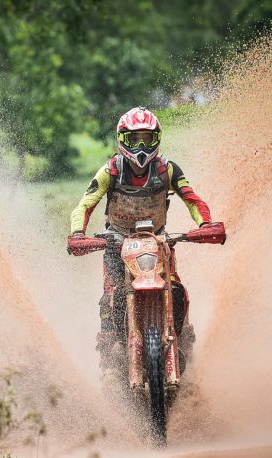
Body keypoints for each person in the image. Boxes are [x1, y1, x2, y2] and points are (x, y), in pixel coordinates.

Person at [67, 106, 216, 385]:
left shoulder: (168, 169)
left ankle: (181, 338)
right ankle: (110, 357)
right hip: (116, 243)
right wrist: (78, 233)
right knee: (109, 298)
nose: (141, 147)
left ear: (157, 139)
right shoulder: (110, 170)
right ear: (122, 140)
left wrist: (206, 225)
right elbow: (85, 205)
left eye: (147, 139)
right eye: (134, 139)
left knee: (175, 287)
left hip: (158, 242)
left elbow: (193, 200)